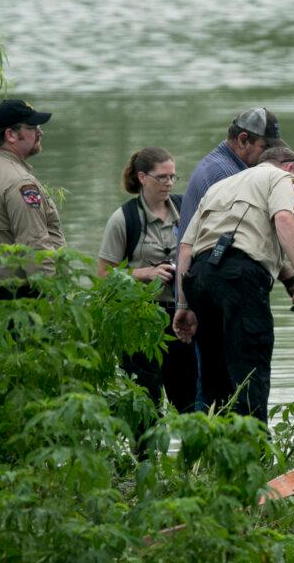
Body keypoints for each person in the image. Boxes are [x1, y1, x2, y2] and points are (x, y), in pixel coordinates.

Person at [172, 145, 294, 422]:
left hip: (199, 279)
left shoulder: (220, 187)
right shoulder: (283, 179)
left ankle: (212, 453)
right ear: (291, 167)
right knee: (250, 370)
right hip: (240, 281)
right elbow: (284, 218)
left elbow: (186, 247)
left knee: (215, 376)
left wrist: (183, 304)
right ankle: (255, 452)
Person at [97, 147, 196, 412]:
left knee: (189, 404)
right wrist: (145, 274)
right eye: (161, 177)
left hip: (182, 318)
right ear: (142, 177)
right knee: (145, 405)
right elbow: (104, 277)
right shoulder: (124, 219)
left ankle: (192, 453)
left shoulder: (185, 209)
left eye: (173, 177)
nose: (169, 183)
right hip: (140, 322)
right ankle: (144, 454)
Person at [0, 99, 65, 315]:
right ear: (10, 135)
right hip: (20, 302)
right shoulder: (20, 183)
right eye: (32, 128)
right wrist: (57, 298)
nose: (40, 133)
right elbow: (34, 246)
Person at [176, 107, 283, 243]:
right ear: (242, 140)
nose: (270, 155)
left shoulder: (220, 163)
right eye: (265, 147)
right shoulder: (226, 175)